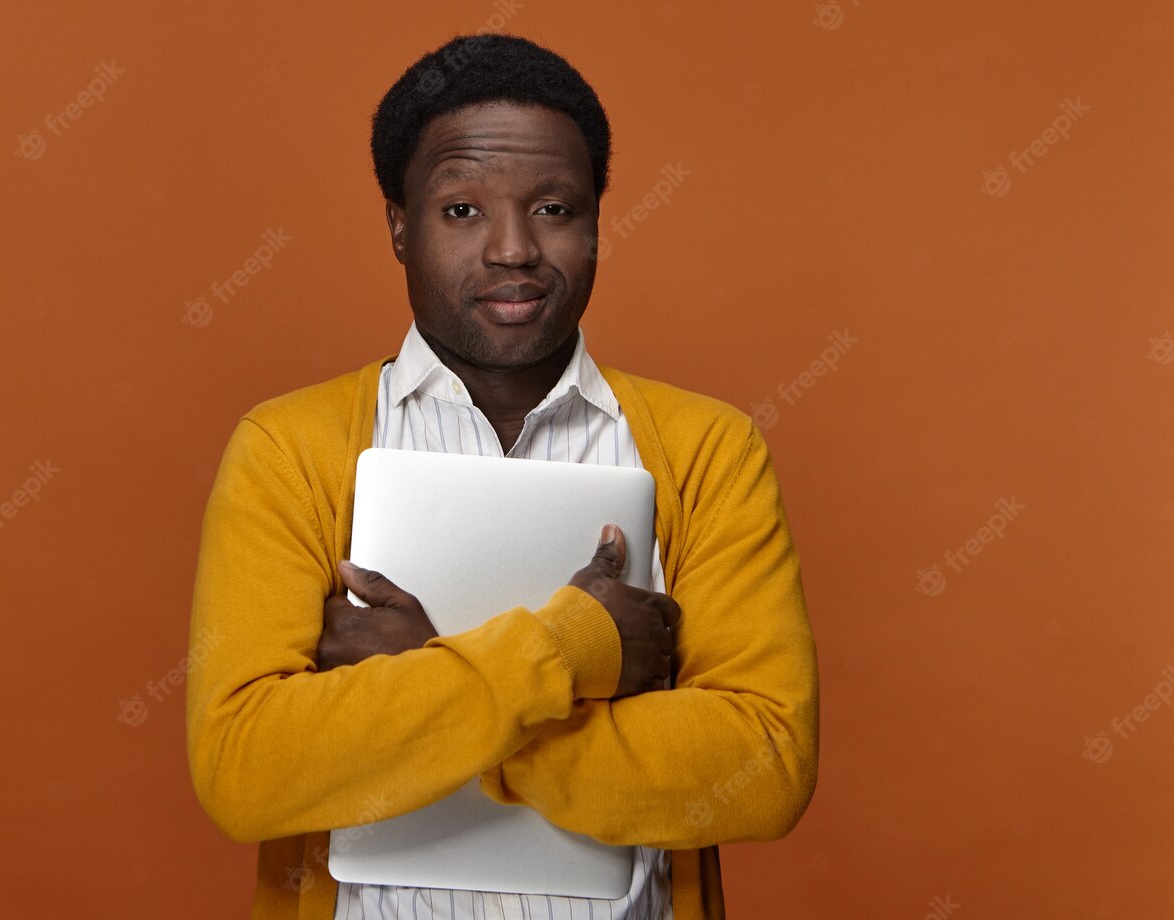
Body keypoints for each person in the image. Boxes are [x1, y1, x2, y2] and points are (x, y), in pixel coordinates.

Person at [186, 33, 819, 920]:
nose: (514, 249)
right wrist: (574, 649)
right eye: (461, 211)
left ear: (599, 218)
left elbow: (764, 766)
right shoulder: (288, 451)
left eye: (555, 208)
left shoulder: (710, 450)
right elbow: (245, 769)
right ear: (399, 225)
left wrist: (427, 684)